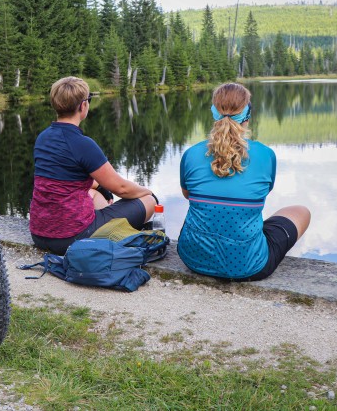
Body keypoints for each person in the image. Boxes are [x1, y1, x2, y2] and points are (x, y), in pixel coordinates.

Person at [178, 82, 311, 281]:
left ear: (214, 112)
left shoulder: (191, 154)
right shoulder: (266, 155)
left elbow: (188, 195)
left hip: (194, 259)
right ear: (247, 114)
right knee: (301, 212)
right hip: (248, 265)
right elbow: (263, 193)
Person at [29, 76, 157, 255]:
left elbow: (62, 181)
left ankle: (105, 228)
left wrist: (101, 188)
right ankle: (108, 234)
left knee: (94, 193)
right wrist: (148, 192)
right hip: (71, 237)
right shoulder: (83, 144)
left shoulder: (43, 137)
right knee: (149, 202)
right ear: (83, 106)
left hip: (39, 233)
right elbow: (121, 188)